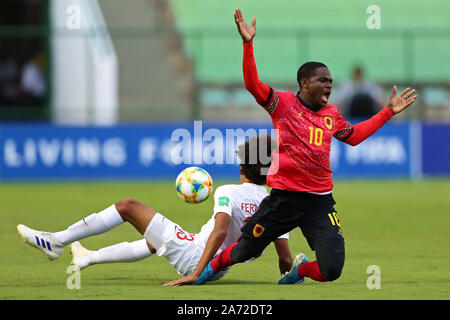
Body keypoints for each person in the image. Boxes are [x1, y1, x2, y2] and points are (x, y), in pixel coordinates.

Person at [164, 8, 418, 286]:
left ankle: (299, 271)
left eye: (331, 81)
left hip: (320, 202)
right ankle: (201, 275)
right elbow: (252, 84)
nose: (329, 85)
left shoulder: (331, 114)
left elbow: (354, 136)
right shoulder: (283, 105)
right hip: (283, 200)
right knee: (244, 251)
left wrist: (387, 112)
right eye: (323, 80)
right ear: (304, 82)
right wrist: (248, 44)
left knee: (331, 270)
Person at [17, 135, 294, 283]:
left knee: (127, 206)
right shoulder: (274, 204)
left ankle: (56, 241)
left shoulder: (228, 192)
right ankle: (89, 257)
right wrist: (289, 276)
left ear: (242, 166)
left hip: (197, 258)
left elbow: (220, 231)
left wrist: (196, 272)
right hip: (220, 267)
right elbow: (284, 257)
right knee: (155, 240)